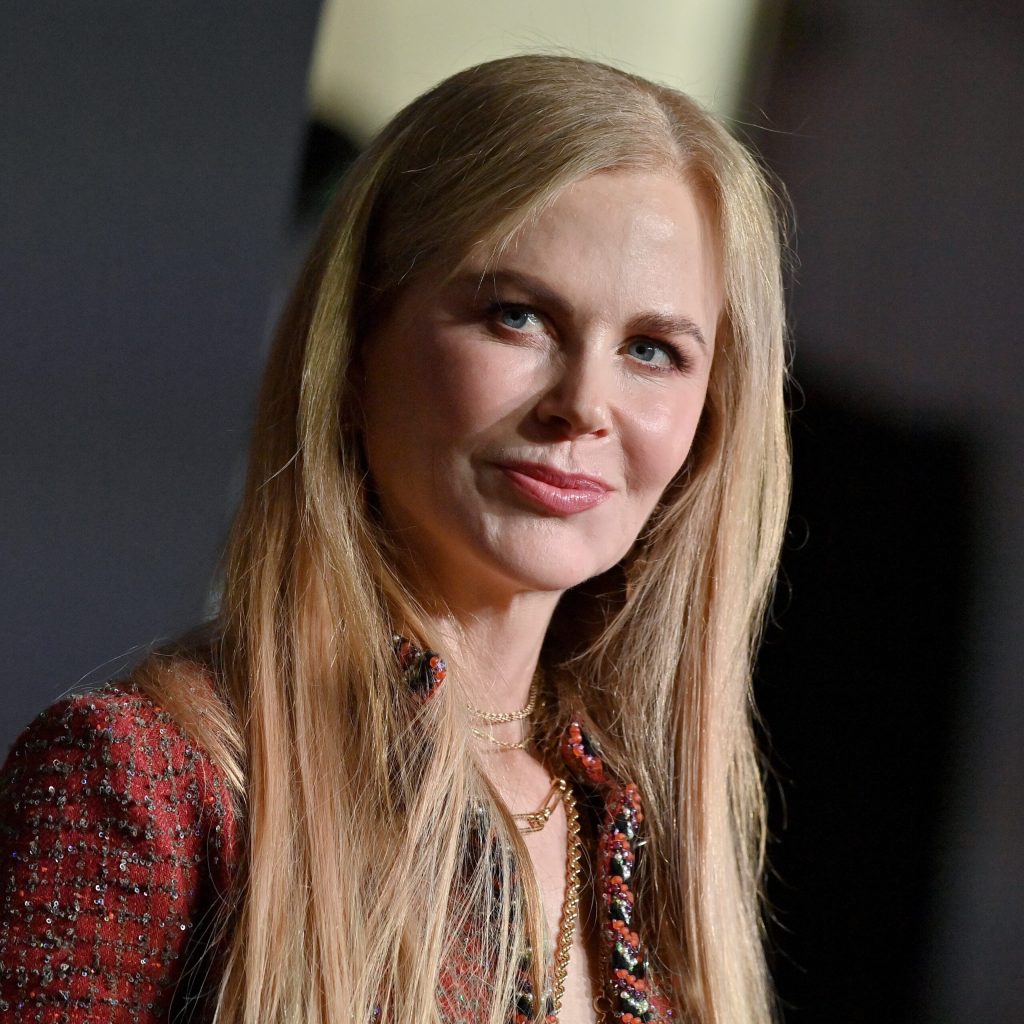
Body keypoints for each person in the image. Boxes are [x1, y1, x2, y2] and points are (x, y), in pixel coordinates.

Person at [0, 54, 788, 1024]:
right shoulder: (149, 777)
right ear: (360, 339)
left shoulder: (659, 848)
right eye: (517, 316)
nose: (585, 404)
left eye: (651, 350)